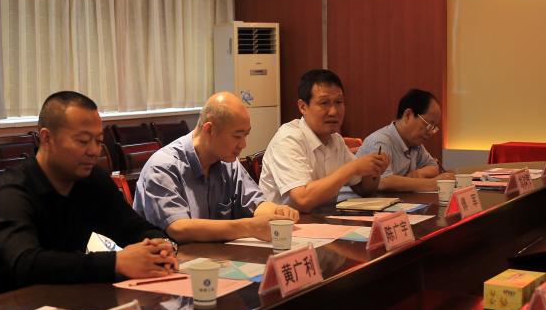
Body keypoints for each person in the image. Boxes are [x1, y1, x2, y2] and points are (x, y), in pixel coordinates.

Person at [0, 91, 177, 293]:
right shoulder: (11, 191)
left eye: (98, 141)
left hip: (70, 297)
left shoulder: (93, 180)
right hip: (11, 303)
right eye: (83, 141)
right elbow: (26, 263)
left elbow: (133, 227)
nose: (94, 151)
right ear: (47, 138)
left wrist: (160, 246)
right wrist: (115, 262)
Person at [134, 92, 299, 243]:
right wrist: (248, 227)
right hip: (174, 260)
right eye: (237, 136)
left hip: (215, 257)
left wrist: (277, 212)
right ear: (209, 130)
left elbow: (255, 204)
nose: (243, 144)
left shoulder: (228, 162)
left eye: (246, 135)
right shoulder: (163, 167)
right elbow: (178, 229)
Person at [258, 69, 389, 212]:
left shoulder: (335, 140)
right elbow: (303, 199)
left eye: (339, 102)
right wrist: (352, 168)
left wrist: (374, 170)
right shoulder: (288, 139)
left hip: (323, 220)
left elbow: (364, 189)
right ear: (303, 107)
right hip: (286, 223)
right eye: (324, 103)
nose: (334, 111)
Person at [355, 89, 454, 192]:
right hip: (353, 201)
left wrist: (420, 173)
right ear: (408, 115)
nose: (430, 132)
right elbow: (383, 181)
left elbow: (433, 166)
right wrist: (434, 183)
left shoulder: (415, 144)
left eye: (433, 128)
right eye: (429, 125)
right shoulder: (380, 141)